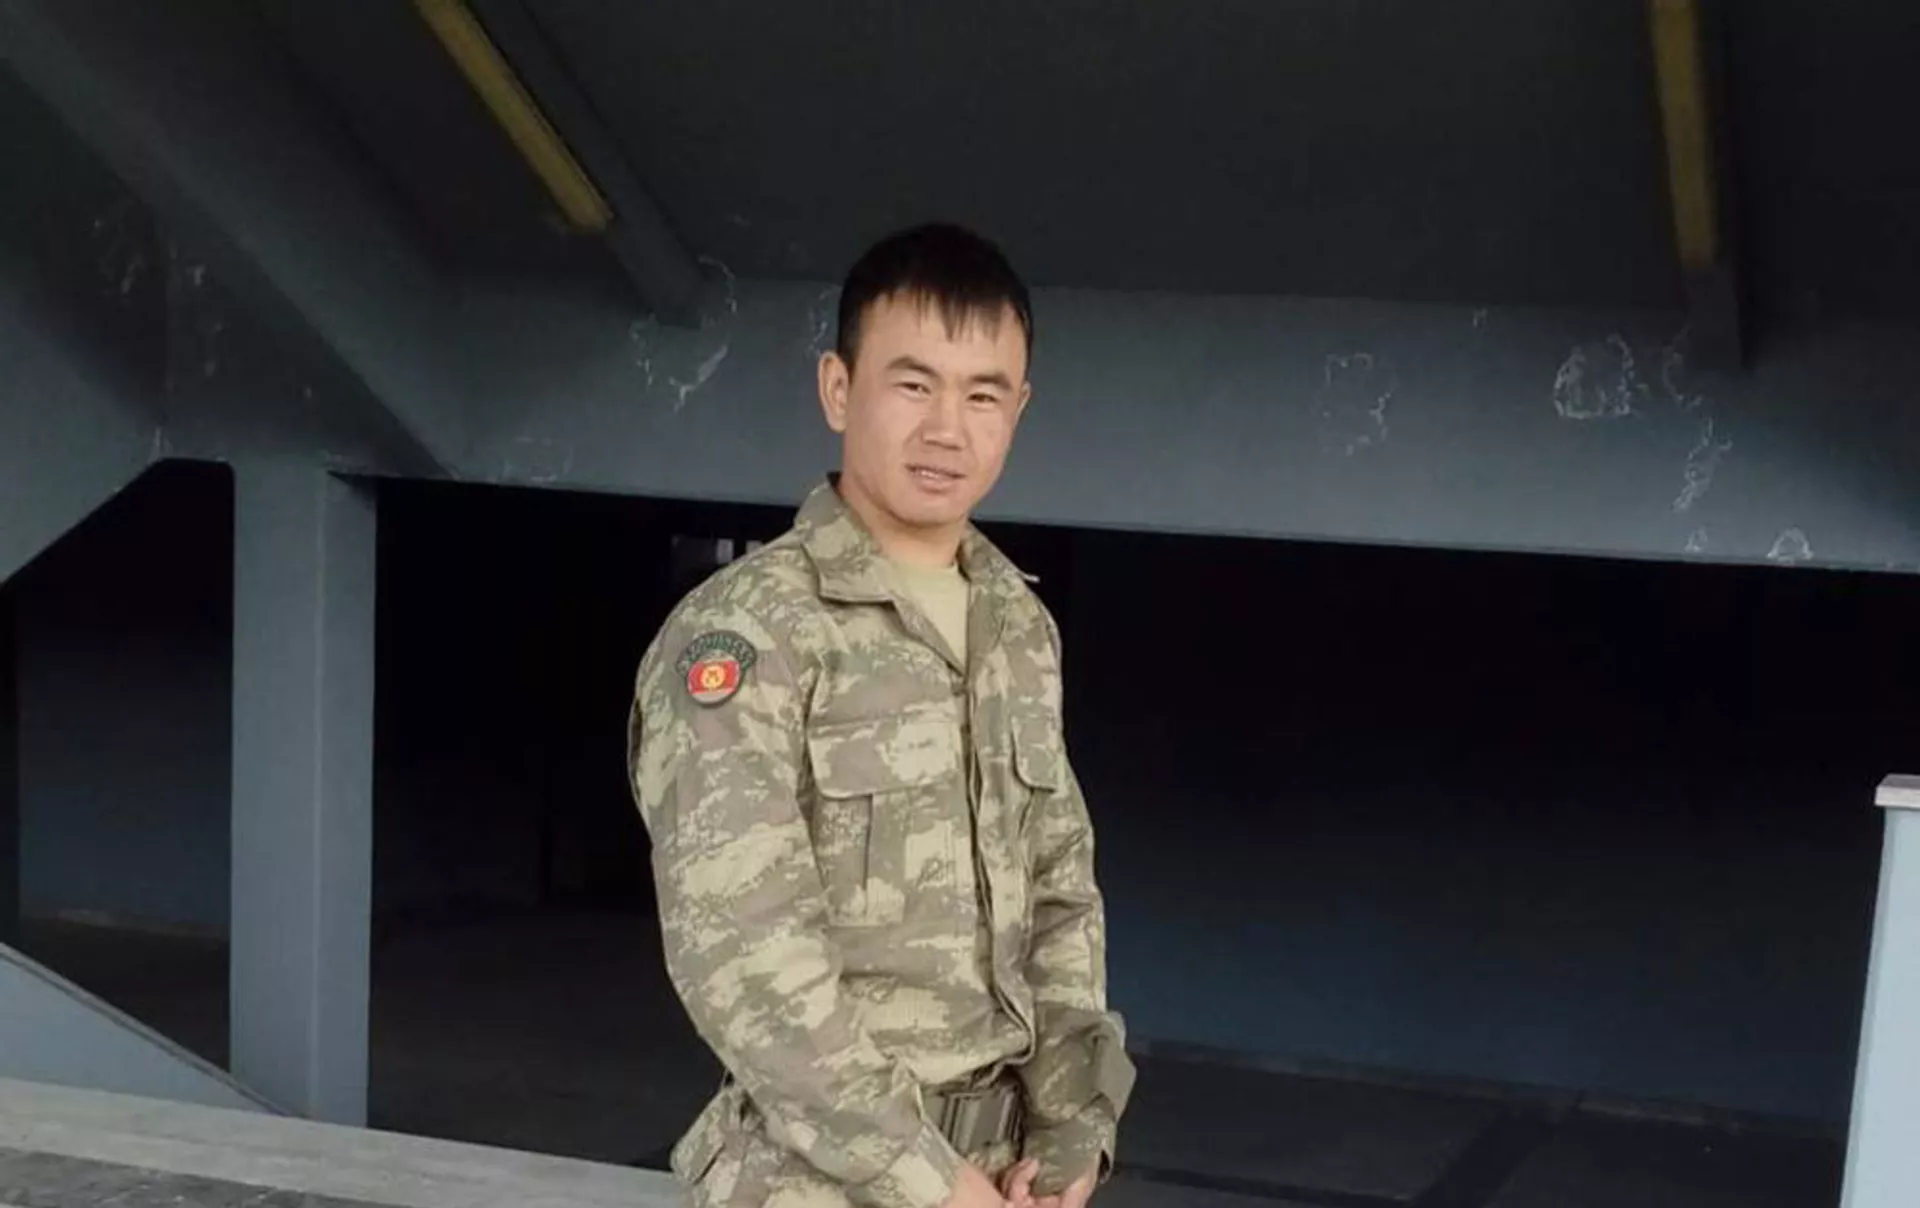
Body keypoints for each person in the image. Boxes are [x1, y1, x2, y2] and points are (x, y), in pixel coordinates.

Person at [627, 223, 1134, 1208]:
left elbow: (1061, 895)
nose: (948, 428)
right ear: (838, 388)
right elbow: (745, 956)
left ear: (1018, 410)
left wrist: (1075, 1134)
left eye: (983, 394)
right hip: (822, 1178)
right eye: (913, 383)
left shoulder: (1016, 626)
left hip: (1004, 1177)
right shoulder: (749, 633)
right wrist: (931, 1181)